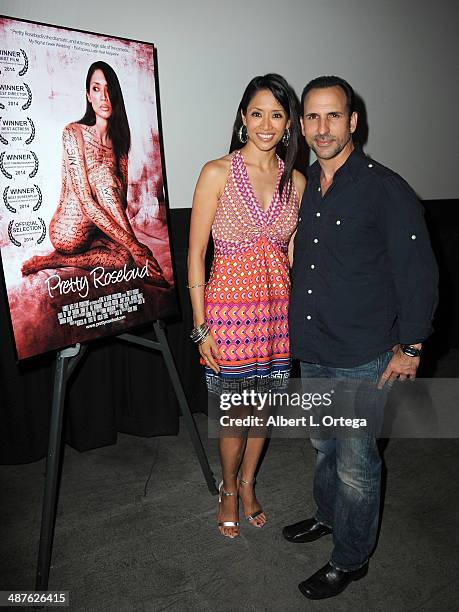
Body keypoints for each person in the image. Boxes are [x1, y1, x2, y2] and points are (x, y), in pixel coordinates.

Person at [284, 76, 438, 599]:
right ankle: (329, 519)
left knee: (356, 463)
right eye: (312, 117)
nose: (321, 128)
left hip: (362, 354)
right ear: (302, 125)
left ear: (353, 122)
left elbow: (418, 271)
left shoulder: (383, 187)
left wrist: (412, 346)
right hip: (314, 345)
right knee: (324, 446)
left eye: (333, 116)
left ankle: (350, 559)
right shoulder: (304, 185)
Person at [188, 74, 305, 538]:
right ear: (242, 117)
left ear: (288, 123)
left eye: (276, 115)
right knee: (235, 414)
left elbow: (293, 257)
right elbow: (195, 254)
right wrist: (201, 327)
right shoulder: (217, 172)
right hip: (228, 318)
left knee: (265, 412)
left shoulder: (294, 179)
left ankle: (250, 482)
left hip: (278, 317)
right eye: (257, 113)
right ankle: (229, 489)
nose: (266, 123)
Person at [21, 61, 167, 286]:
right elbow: (86, 201)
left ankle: (135, 256)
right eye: (96, 89)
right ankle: (52, 260)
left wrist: (129, 248)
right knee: (102, 175)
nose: (103, 96)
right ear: (88, 95)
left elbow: (122, 202)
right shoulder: (73, 132)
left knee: (123, 262)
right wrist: (136, 245)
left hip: (98, 230)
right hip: (69, 231)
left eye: (109, 89)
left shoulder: (119, 144)